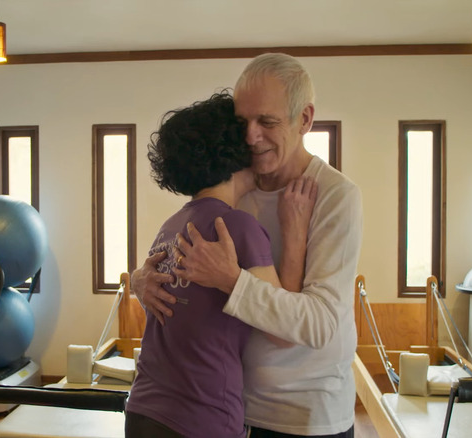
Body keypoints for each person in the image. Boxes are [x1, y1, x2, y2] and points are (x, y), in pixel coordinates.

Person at [132, 53, 363, 438]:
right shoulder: (238, 185)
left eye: (267, 122)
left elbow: (321, 324)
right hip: (235, 408)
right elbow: (183, 252)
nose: (251, 137)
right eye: (243, 123)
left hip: (307, 415)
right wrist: (143, 280)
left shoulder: (337, 196)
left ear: (304, 119)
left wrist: (233, 280)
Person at [124, 91, 316, 438]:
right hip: (199, 419)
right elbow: (283, 331)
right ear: (235, 152)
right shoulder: (236, 227)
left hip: (141, 411)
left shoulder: (169, 227)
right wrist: (296, 231)